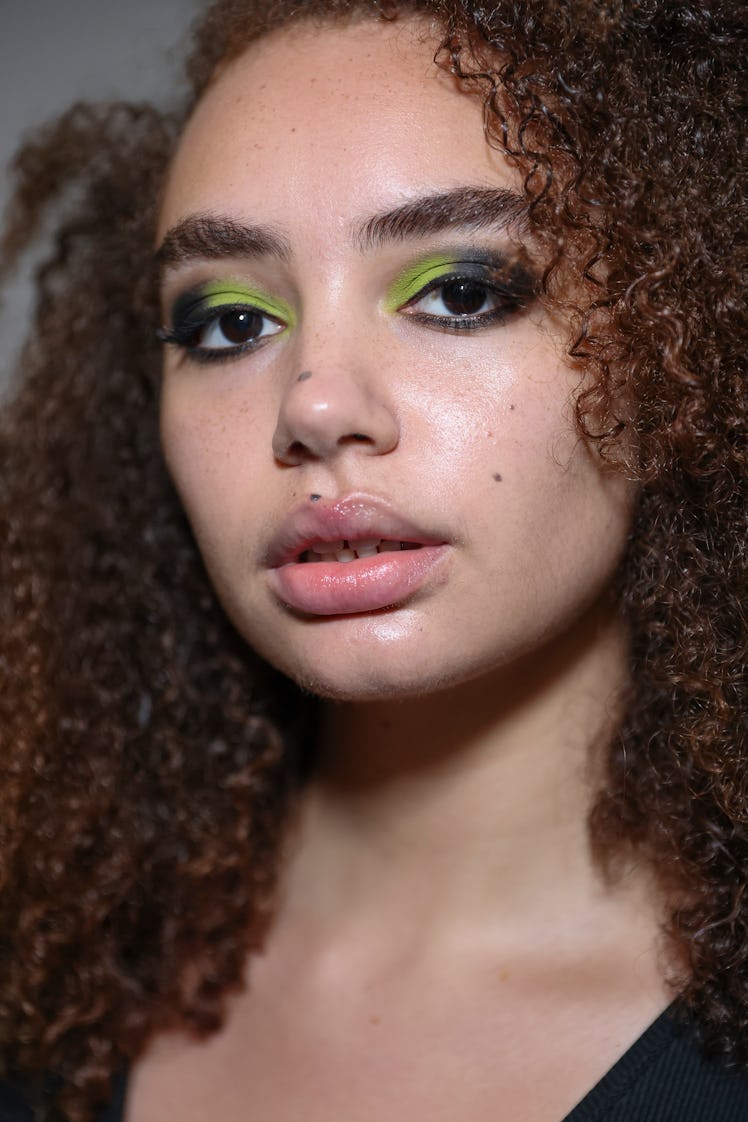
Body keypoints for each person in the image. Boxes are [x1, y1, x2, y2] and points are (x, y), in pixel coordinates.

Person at [0, 0, 745, 1119]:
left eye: (460, 292)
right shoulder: (42, 973)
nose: (314, 402)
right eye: (230, 324)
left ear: (681, 344)